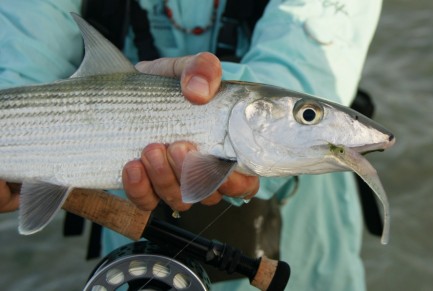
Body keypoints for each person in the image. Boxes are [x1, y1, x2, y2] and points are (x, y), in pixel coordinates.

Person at [0, 0, 383, 290]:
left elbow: (311, 59)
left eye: (308, 116)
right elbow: (21, 62)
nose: (310, 118)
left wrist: (208, 86)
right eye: (310, 115)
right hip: (138, 250)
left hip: (305, 245)